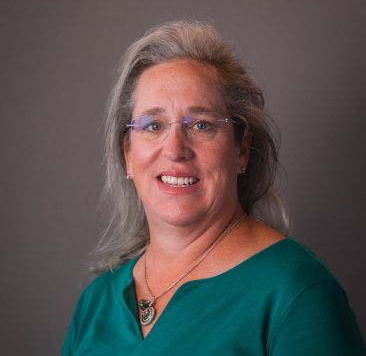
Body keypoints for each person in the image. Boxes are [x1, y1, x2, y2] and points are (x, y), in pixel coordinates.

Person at [62, 20, 365, 355]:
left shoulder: (297, 295)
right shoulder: (97, 302)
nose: (175, 149)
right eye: (153, 125)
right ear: (128, 154)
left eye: (202, 124)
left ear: (242, 150)